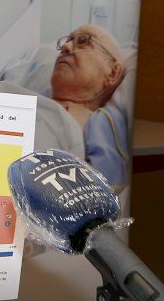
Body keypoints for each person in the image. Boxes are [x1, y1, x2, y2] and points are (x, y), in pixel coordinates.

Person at [50, 24, 129, 187]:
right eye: (68, 41)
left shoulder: (102, 121)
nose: (65, 47)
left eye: (83, 41)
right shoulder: (29, 98)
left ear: (113, 72)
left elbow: (106, 188)